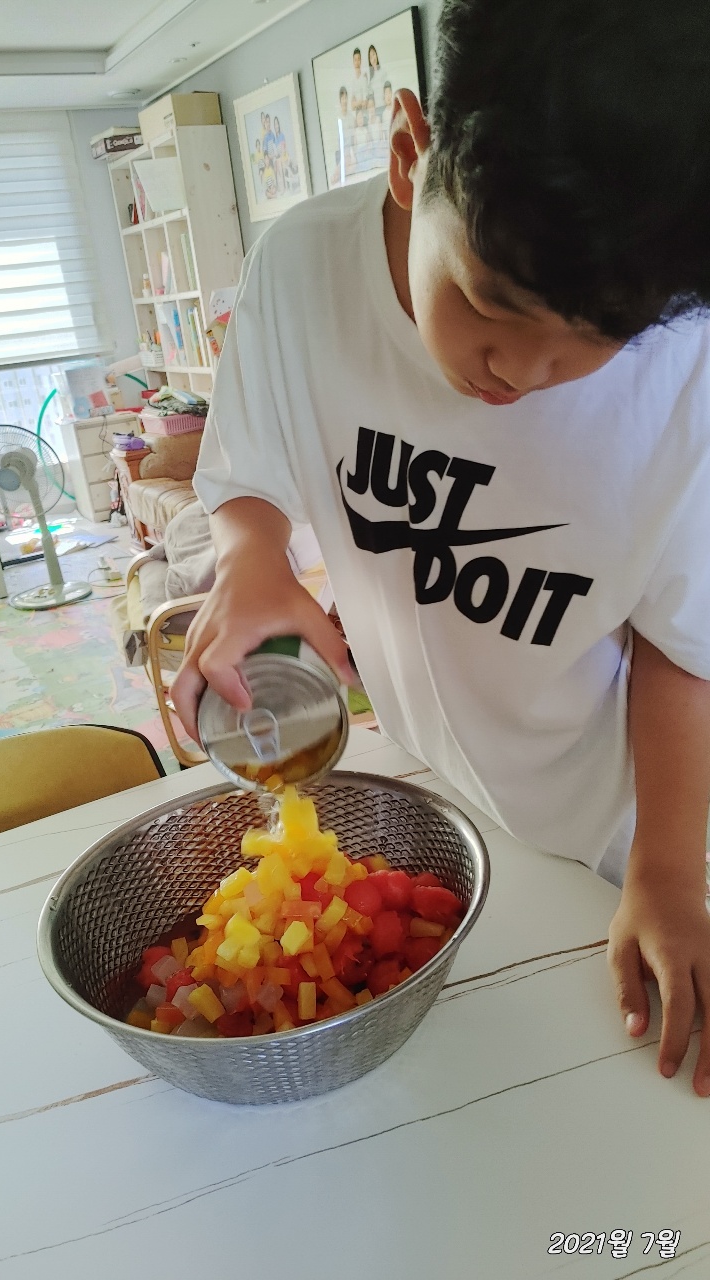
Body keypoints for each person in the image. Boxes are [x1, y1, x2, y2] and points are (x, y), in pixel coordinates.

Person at [173, 0, 710, 1098]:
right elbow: (247, 472)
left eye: (591, 344)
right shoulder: (300, 271)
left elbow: (684, 641)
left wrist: (666, 868)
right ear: (409, 149)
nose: (521, 370)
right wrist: (251, 556)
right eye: (488, 301)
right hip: (456, 792)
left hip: (637, 829)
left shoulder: (686, 366)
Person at [349, 46, 368, 113]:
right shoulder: (352, 81)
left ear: (361, 61)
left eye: (358, 59)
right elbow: (352, 106)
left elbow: (365, 103)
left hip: (364, 113)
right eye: (355, 60)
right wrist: (359, 102)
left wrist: (356, 103)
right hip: (356, 115)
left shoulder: (364, 79)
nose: (357, 62)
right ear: (353, 61)